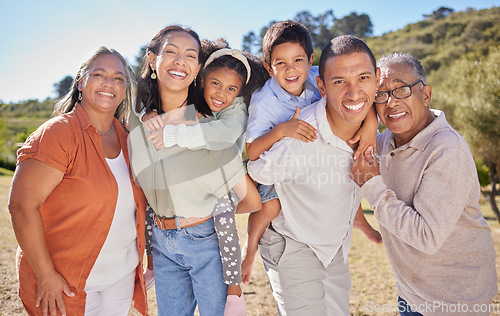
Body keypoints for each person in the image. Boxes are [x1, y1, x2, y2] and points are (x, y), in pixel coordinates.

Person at [350, 52, 498, 316]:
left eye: (402, 90)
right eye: (381, 94)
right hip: (411, 293)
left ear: (426, 94)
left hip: (456, 302)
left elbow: (426, 237)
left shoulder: (446, 150)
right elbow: (329, 81)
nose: (391, 102)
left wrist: (372, 185)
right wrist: (371, 121)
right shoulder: (383, 143)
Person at [247, 34, 381, 315]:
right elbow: (256, 165)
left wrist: (372, 121)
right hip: (293, 241)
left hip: (333, 245)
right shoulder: (299, 133)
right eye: (339, 82)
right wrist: (280, 133)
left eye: (363, 78)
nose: (354, 92)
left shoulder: (372, 130)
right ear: (321, 86)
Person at [8, 47, 148, 316]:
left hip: (119, 279)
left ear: (124, 89)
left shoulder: (130, 139)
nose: (110, 83)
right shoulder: (58, 133)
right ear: (81, 82)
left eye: (119, 78)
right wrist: (46, 275)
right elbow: (22, 207)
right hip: (66, 283)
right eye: (99, 74)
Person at [128, 25, 250, 315]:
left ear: (198, 70)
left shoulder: (211, 118)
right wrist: (147, 112)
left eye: (190, 55)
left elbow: (250, 197)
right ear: (151, 60)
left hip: (206, 236)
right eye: (170, 52)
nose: (180, 60)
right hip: (160, 240)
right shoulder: (134, 114)